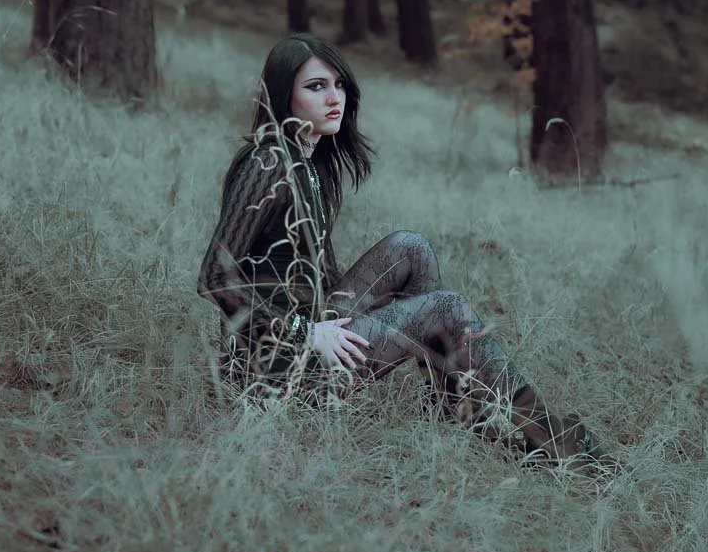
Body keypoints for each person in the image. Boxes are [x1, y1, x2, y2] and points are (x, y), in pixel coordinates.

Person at [197, 33, 609, 469]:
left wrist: (331, 318)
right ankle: (556, 441)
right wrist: (308, 332)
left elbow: (305, 272)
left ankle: (453, 411)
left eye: (338, 84)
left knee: (411, 247)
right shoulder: (267, 163)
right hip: (273, 367)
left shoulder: (308, 163)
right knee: (448, 308)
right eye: (315, 87)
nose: (333, 97)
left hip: (309, 326)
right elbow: (214, 278)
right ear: (284, 96)